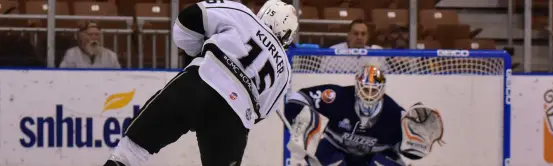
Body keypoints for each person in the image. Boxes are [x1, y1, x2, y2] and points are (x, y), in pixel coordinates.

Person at [103, 0, 298, 166]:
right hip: (235, 118)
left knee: (132, 150)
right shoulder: (285, 71)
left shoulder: (245, 15)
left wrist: (196, 51)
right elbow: (260, 113)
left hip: (199, 83)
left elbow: (189, 17)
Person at [283, 64, 445, 166]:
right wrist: (299, 118)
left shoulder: (394, 113)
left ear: (382, 90)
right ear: (357, 86)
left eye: (373, 90)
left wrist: (415, 147)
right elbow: (299, 97)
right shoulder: (338, 96)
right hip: (335, 148)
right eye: (365, 88)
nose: (368, 94)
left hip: (374, 155)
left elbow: (404, 150)